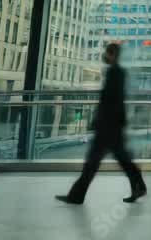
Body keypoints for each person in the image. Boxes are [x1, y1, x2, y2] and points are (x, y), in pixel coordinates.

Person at [56, 43, 146, 205]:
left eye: (107, 53)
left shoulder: (115, 73)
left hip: (109, 126)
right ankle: (138, 186)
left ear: (113, 55)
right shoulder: (115, 72)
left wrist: (103, 121)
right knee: (114, 160)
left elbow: (113, 101)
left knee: (96, 162)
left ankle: (76, 196)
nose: (105, 56)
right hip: (111, 125)